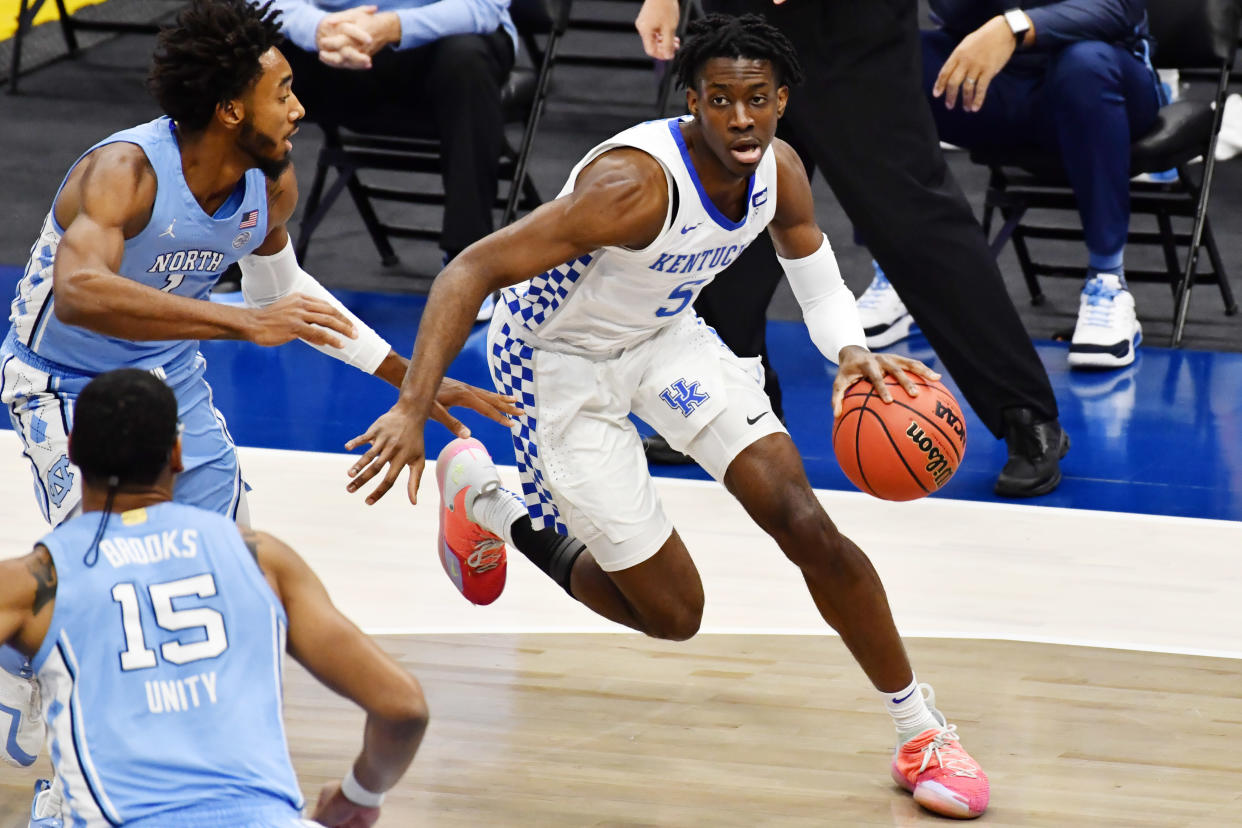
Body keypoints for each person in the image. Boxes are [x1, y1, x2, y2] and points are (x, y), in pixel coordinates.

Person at [344, 16, 991, 819]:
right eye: (722, 100)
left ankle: (920, 729)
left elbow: (808, 259)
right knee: (672, 615)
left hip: (665, 339)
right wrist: (413, 407)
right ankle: (485, 500)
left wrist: (851, 351)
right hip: (558, 365)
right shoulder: (633, 187)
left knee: (804, 521)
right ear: (694, 102)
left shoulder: (778, 169)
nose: (742, 118)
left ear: (783, 100)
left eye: (757, 99)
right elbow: (471, 269)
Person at [0, 0, 514, 773]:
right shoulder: (127, 172)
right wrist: (241, 323)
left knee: (221, 552)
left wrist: (416, 385)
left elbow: (294, 302)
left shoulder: (268, 185)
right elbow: (79, 291)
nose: (300, 106)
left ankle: (197, 730)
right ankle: (29, 678)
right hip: (63, 382)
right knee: (112, 553)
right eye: (284, 91)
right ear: (231, 107)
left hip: (168, 376)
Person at [635, 0, 1070, 498]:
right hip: (739, 19)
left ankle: (1025, 412)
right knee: (725, 205)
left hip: (850, 29)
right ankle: (732, 403)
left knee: (911, 216)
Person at [2, 368, 427, 827]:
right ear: (178, 454)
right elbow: (403, 707)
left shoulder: (35, 582)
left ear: (71, 453)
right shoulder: (262, 559)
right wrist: (358, 796)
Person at [892, 0, 1157, 370]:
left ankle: (1108, 283)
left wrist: (1014, 26)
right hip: (1001, 82)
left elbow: (1116, 8)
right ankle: (898, 274)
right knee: (891, 59)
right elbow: (956, 14)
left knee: (1085, 64)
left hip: (1105, 72)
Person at [271, 0, 516, 271]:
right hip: (330, 44)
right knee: (247, 52)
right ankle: (238, 254)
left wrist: (394, 26)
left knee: (467, 58)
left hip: (440, 44)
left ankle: (468, 265)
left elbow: (485, 6)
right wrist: (315, 28)